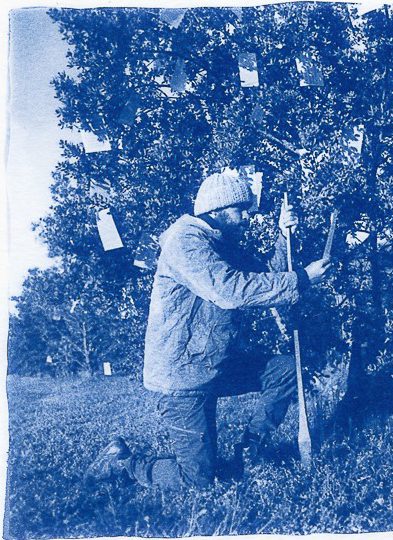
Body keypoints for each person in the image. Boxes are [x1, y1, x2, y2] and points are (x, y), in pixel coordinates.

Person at [85, 167, 331, 490]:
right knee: (198, 480)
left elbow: (263, 276)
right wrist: (302, 278)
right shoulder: (185, 241)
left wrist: (282, 236)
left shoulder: (221, 241)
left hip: (214, 364)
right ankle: (124, 464)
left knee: (287, 370)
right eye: (240, 209)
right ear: (217, 210)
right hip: (182, 377)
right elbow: (231, 290)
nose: (247, 216)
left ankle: (249, 454)